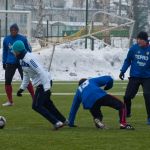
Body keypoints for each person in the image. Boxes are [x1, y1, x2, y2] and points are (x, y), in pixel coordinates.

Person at [12, 40, 67, 130]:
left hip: (43, 83)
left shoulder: (29, 59)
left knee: (36, 105)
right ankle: (64, 121)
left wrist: (47, 87)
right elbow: (26, 74)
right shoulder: (22, 60)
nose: (13, 53)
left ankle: (57, 122)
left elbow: (41, 72)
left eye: (14, 51)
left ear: (18, 51)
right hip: (42, 83)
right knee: (47, 104)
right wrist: (21, 88)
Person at [68, 75, 134, 130]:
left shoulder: (78, 91)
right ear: (86, 80)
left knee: (98, 115)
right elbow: (109, 78)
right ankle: (123, 124)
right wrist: (107, 87)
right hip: (99, 95)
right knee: (121, 106)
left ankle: (97, 120)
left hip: (88, 102)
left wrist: (70, 123)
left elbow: (74, 108)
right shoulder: (90, 80)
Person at [119, 31, 150, 124]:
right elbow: (128, 60)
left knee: (148, 96)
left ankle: (149, 118)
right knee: (127, 97)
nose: (138, 41)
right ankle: (127, 113)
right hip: (135, 77)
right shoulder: (133, 48)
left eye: (141, 39)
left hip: (147, 77)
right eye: (138, 39)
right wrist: (122, 71)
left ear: (146, 40)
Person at [2, 23, 34, 106]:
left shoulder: (23, 39)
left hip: (21, 62)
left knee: (26, 80)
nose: (13, 31)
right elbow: (5, 51)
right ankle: (10, 101)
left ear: (17, 30)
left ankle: (34, 99)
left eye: (15, 30)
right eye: (11, 30)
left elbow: (29, 49)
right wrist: (4, 62)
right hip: (10, 62)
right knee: (7, 81)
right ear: (10, 31)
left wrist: (28, 59)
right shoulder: (6, 39)